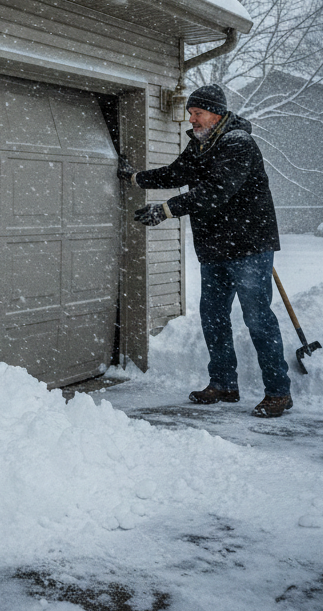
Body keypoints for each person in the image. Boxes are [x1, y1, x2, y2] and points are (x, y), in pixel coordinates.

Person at [118, 83, 293, 417]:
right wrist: (135, 178)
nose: (192, 119)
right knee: (213, 317)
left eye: (197, 113)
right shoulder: (200, 144)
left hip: (248, 246)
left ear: (216, 114)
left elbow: (217, 190)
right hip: (214, 248)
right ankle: (224, 383)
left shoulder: (238, 143)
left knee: (257, 318)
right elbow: (175, 173)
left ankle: (278, 392)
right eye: (191, 113)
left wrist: (166, 210)